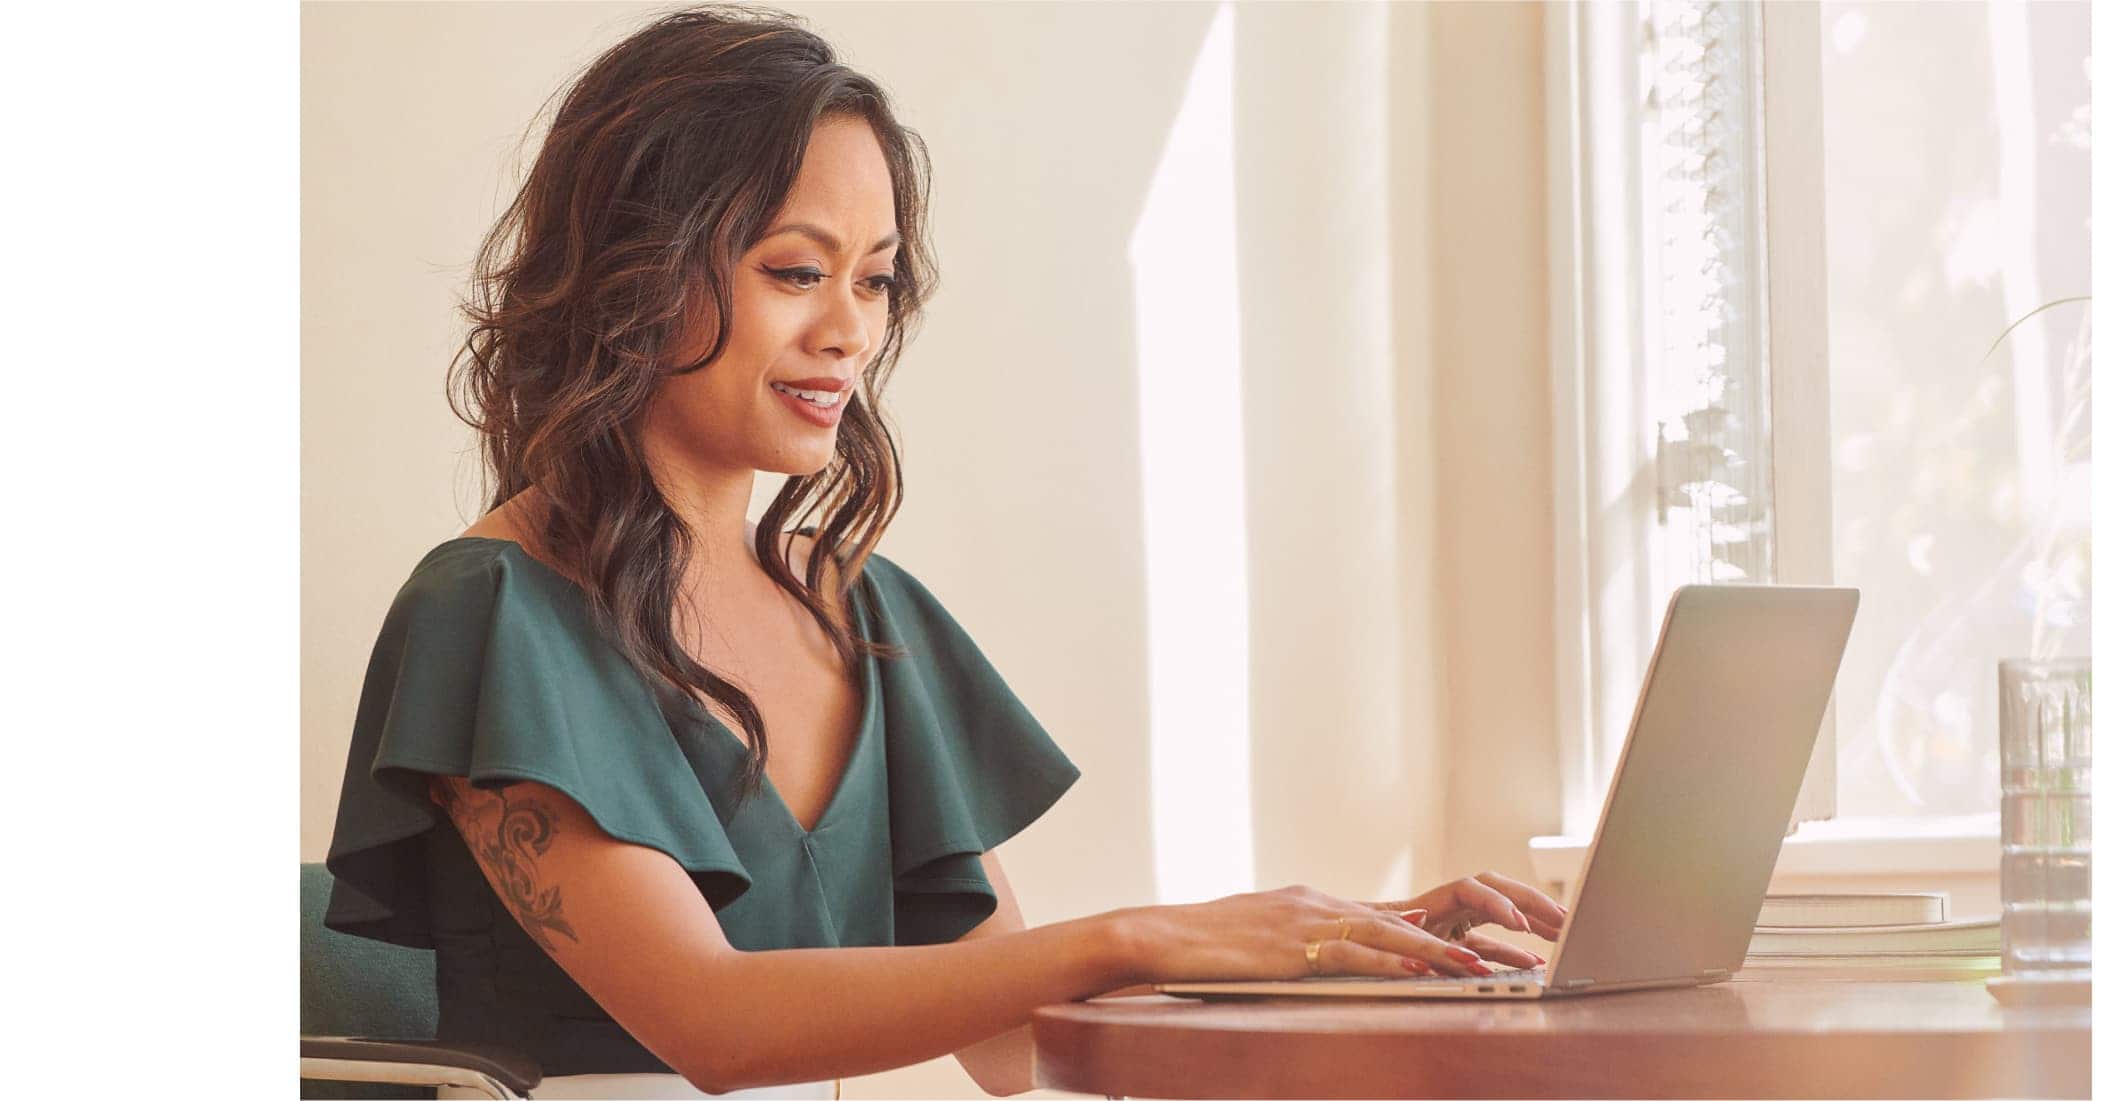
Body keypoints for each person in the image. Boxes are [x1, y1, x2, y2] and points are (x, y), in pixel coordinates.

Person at [319, 6, 1567, 1098]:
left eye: (876, 281)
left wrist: (1358, 943)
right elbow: (712, 1028)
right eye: (797, 271)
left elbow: (1012, 1040)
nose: (848, 332)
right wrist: (1138, 933)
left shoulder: (861, 616)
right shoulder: (490, 612)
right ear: (630, 276)